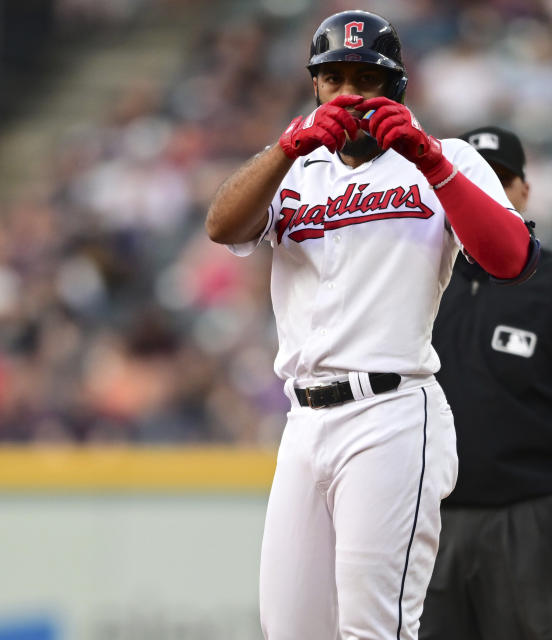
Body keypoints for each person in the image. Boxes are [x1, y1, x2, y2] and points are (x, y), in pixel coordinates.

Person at [204, 10, 539, 640]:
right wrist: (286, 145)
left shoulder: (449, 160)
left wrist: (430, 158)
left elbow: (512, 258)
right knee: (292, 629)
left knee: (373, 629)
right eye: (334, 79)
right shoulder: (295, 170)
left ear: (398, 88)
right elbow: (223, 225)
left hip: (390, 412)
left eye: (367, 79)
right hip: (303, 422)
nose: (350, 95)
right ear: (314, 87)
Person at [420, 126, 552, 639]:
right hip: (425, 516)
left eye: (499, 179)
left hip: (529, 521)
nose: (486, 191)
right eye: (472, 179)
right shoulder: (408, 273)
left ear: (524, 189)